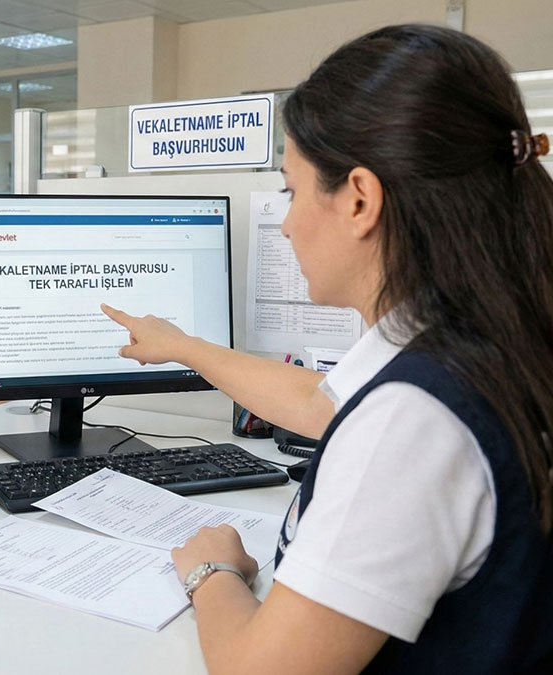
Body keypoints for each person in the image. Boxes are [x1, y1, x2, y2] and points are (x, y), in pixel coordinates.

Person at [102, 25, 553, 672]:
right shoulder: (483, 342)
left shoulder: (413, 421)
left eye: (292, 189)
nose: (285, 221)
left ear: (361, 199)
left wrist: (213, 570)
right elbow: (323, 402)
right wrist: (183, 345)